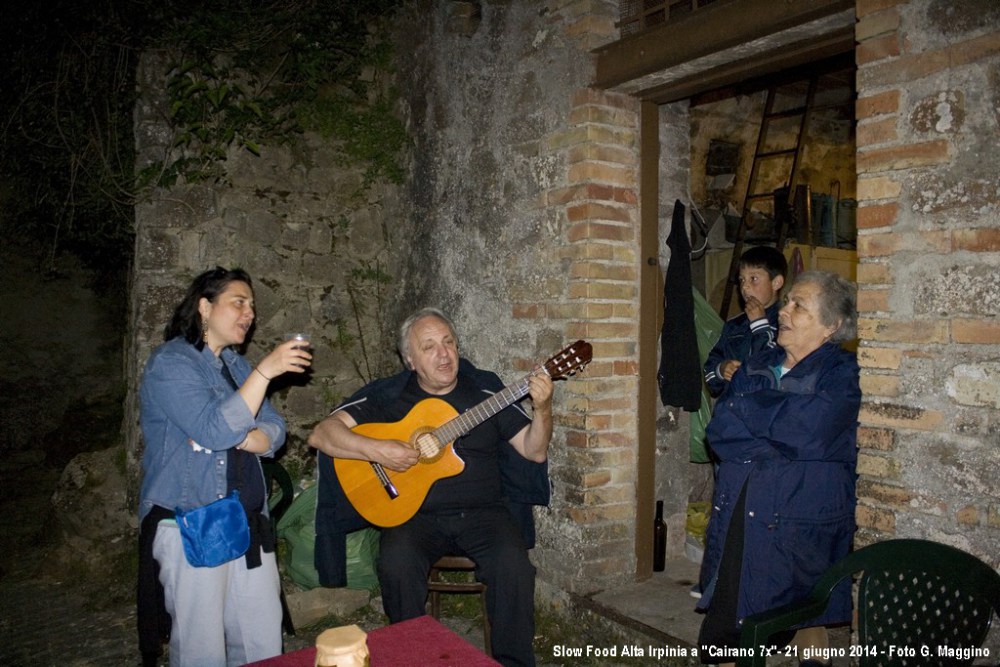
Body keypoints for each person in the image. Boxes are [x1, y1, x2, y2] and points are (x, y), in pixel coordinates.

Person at [308, 307, 553, 667]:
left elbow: (534, 451)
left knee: (514, 568)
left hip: (485, 514)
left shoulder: (486, 391)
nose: (444, 354)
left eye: (449, 342)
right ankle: (411, 658)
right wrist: (378, 450)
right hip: (415, 516)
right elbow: (322, 433)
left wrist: (543, 408)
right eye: (429, 347)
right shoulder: (389, 396)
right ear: (410, 360)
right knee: (396, 564)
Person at [137, 267, 312, 667]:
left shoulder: (235, 366)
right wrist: (266, 372)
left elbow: (275, 429)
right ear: (204, 307)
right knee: (202, 649)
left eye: (252, 305)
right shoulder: (171, 363)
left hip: (247, 520)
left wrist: (246, 437)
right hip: (192, 522)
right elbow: (215, 430)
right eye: (239, 302)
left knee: (261, 640)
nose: (250, 313)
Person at [695, 270, 860, 667]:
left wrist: (751, 413)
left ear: (831, 325)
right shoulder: (759, 363)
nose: (783, 310)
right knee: (728, 634)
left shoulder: (844, 373)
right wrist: (781, 434)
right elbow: (720, 430)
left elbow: (812, 431)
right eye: (787, 302)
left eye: (798, 306)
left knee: (798, 613)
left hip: (801, 519)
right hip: (743, 512)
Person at [704, 245, 788, 398]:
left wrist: (759, 325)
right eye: (741, 279)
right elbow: (710, 371)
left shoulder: (787, 323)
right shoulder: (734, 325)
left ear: (776, 283)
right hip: (732, 409)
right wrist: (721, 370)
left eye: (753, 279)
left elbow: (776, 368)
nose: (745, 286)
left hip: (766, 408)